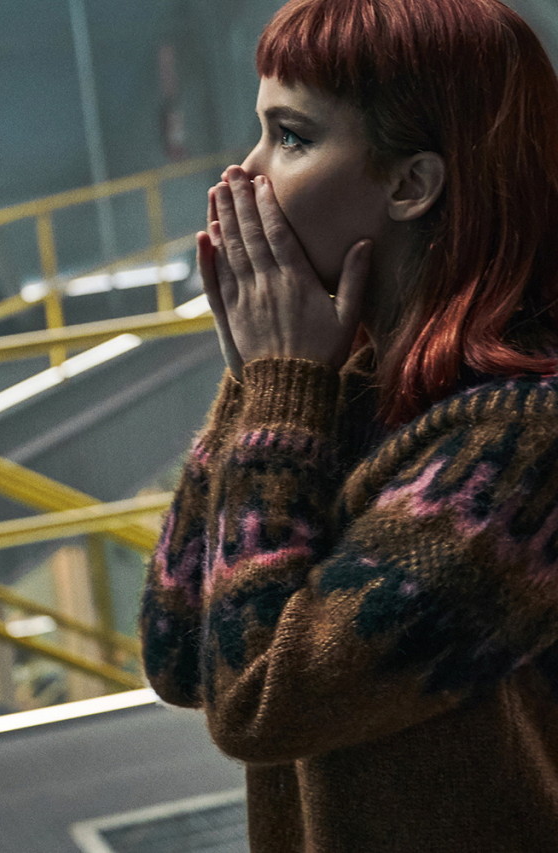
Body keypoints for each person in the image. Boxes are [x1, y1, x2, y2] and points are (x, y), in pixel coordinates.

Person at [138, 0, 558, 850]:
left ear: (411, 185)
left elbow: (261, 699)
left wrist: (277, 388)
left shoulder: (526, 439)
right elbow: (178, 651)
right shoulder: (346, 381)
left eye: (291, 137)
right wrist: (259, 385)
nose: (246, 172)